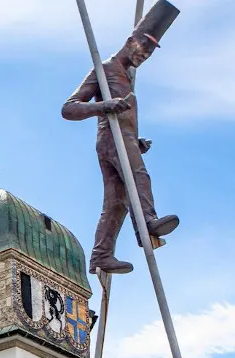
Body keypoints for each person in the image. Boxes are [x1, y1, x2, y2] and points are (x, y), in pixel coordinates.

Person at [61, 0, 180, 276]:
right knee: (139, 176)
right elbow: (69, 108)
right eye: (144, 47)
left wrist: (136, 143)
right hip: (110, 139)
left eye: (151, 51)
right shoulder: (106, 70)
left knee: (117, 203)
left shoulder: (126, 77)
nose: (146, 54)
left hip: (121, 140)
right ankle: (148, 223)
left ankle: (101, 255)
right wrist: (106, 106)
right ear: (131, 41)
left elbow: (125, 120)